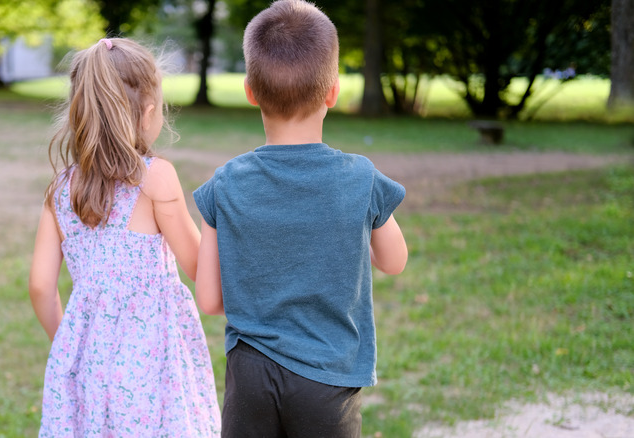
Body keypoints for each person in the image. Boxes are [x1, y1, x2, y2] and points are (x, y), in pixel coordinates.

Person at [192, 1, 408, 436]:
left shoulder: (225, 183)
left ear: (251, 92)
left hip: (249, 376)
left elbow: (211, 300)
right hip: (328, 378)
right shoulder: (361, 178)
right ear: (332, 92)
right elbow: (394, 260)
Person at [29, 37, 221, 437]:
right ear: (148, 112)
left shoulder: (61, 188)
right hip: (153, 361)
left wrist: (68, 344)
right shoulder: (154, 177)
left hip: (88, 358)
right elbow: (198, 265)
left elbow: (41, 287)